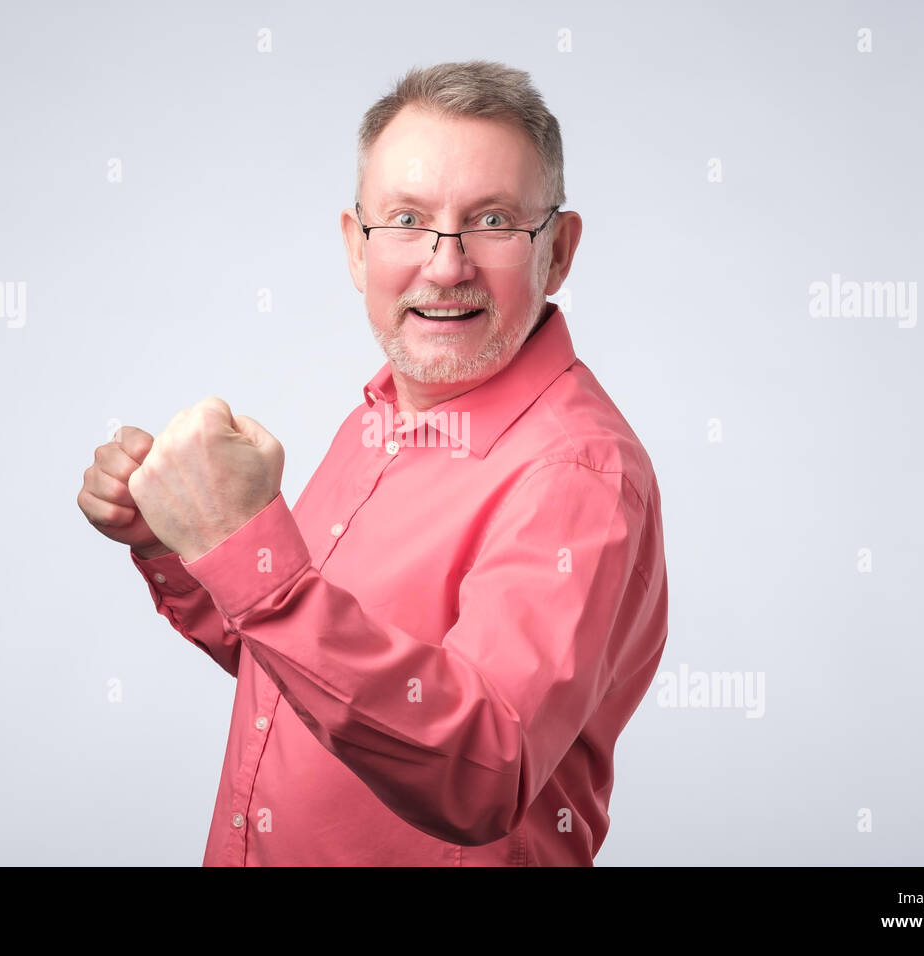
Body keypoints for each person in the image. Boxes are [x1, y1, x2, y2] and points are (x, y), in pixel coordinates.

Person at [76, 60, 669, 866]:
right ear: (357, 248)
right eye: (406, 220)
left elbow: (484, 768)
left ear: (557, 253)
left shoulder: (577, 474)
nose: (446, 263)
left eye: (492, 220)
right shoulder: (385, 413)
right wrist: (183, 546)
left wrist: (252, 552)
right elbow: (294, 662)